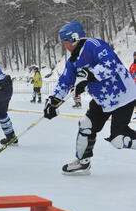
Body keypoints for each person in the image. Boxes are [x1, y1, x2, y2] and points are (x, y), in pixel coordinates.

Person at [44, 21, 136, 175]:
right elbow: (65, 81)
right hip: (102, 100)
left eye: (65, 41)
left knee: (118, 139)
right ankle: (83, 162)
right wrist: (53, 100)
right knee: (86, 124)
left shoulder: (93, 45)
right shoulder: (72, 61)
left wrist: (90, 75)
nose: (64, 45)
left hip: (123, 96)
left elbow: (111, 63)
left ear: (74, 38)